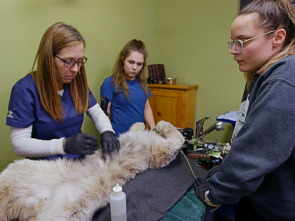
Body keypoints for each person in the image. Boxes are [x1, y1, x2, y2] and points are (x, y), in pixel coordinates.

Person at [193, 0, 295, 220]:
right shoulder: (262, 75)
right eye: (232, 42)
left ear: (278, 37)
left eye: (243, 41)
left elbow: (255, 155)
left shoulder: (285, 78)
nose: (234, 51)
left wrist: (214, 194)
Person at [6, 22, 120, 161]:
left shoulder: (77, 84)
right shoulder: (25, 90)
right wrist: (63, 145)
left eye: (80, 61)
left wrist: (107, 132)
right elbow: (19, 144)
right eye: (68, 61)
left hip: (77, 163)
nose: (76, 69)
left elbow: (96, 112)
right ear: (48, 58)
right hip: (44, 169)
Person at [100, 39, 155, 137]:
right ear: (123, 59)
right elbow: (104, 114)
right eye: (131, 62)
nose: (135, 67)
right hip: (119, 139)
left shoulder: (142, 83)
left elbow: (147, 108)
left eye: (139, 64)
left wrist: (154, 130)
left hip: (140, 138)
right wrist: (108, 136)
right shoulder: (110, 83)